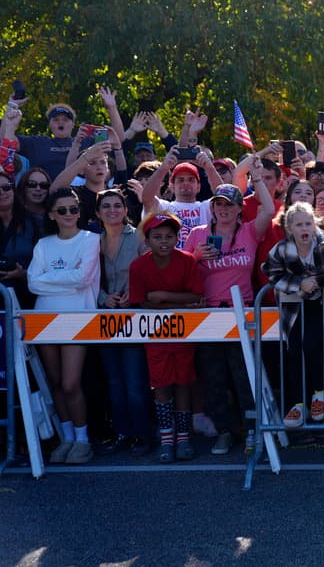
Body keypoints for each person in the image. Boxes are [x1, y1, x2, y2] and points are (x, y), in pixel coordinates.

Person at [183, 177, 274, 455]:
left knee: (244, 375)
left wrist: (256, 178)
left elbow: (268, 210)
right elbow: (182, 273)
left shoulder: (248, 231)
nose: (223, 210)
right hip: (208, 313)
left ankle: (251, 430)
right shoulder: (197, 233)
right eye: (218, 204)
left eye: (229, 205)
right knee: (214, 377)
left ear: (238, 209)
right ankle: (224, 431)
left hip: (242, 310)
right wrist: (195, 256)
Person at [263, 202, 324, 433]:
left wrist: (319, 281)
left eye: (308, 223)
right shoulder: (281, 249)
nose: (304, 228)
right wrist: (298, 283)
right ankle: (299, 403)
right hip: (293, 309)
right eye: (299, 224)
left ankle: (320, 393)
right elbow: (271, 272)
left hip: (322, 306)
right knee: (293, 350)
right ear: (289, 227)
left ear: (314, 225)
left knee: (312, 345)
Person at [28, 188, 101, 464]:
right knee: (56, 383)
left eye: (73, 209)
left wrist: (50, 277)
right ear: (51, 215)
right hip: (44, 320)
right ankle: (67, 438)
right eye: (62, 210)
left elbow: (83, 279)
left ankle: (83, 440)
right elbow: (33, 283)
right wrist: (65, 277)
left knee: (71, 383)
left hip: (78, 320)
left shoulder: (91, 239)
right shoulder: (43, 244)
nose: (69, 214)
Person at [129, 212, 206, 462]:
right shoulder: (138, 266)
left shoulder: (187, 261)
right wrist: (171, 305)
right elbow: (141, 302)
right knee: (161, 385)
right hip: (155, 336)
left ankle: (183, 437)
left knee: (183, 382)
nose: (164, 241)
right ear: (147, 240)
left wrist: (163, 296)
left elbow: (196, 296)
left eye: (169, 236)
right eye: (157, 236)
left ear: (177, 238)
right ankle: (166, 437)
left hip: (183, 334)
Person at [94, 189, 151, 456]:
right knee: (114, 383)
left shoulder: (139, 236)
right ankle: (121, 433)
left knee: (134, 382)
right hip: (103, 317)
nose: (112, 210)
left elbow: (152, 268)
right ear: (97, 212)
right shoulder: (92, 241)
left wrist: (134, 294)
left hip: (133, 316)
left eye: (118, 205)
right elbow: (86, 279)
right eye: (106, 206)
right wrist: (105, 298)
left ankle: (142, 434)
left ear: (126, 210)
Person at [0, 170, 44, 308]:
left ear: (13, 190)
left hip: (25, 298)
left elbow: (48, 265)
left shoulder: (36, 224)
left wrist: (24, 274)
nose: (2, 192)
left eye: (6, 187)